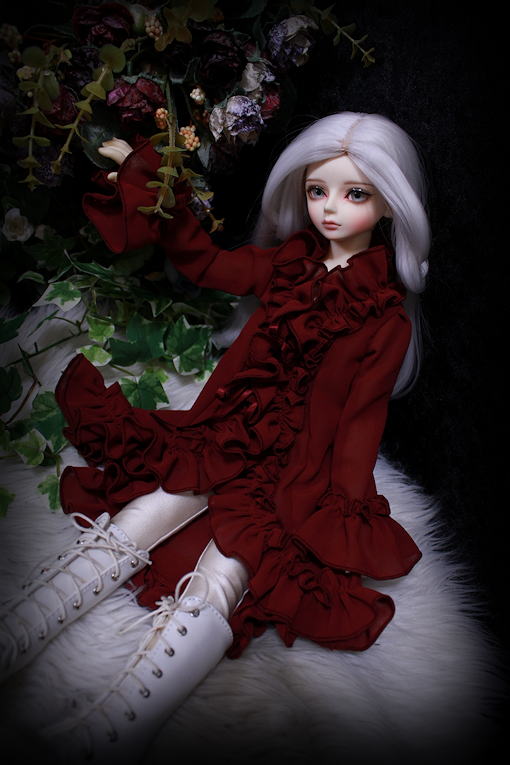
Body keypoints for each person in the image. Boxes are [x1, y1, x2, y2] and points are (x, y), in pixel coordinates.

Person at [0, 112, 430, 762]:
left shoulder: (384, 316)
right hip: (223, 434)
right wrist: (159, 191)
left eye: (355, 194)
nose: (331, 208)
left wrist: (340, 509)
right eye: (318, 190)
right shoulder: (288, 263)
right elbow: (206, 263)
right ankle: (19, 627)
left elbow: (360, 423)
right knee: (141, 514)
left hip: (293, 472)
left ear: (390, 205)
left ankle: (118, 723)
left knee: (228, 568)